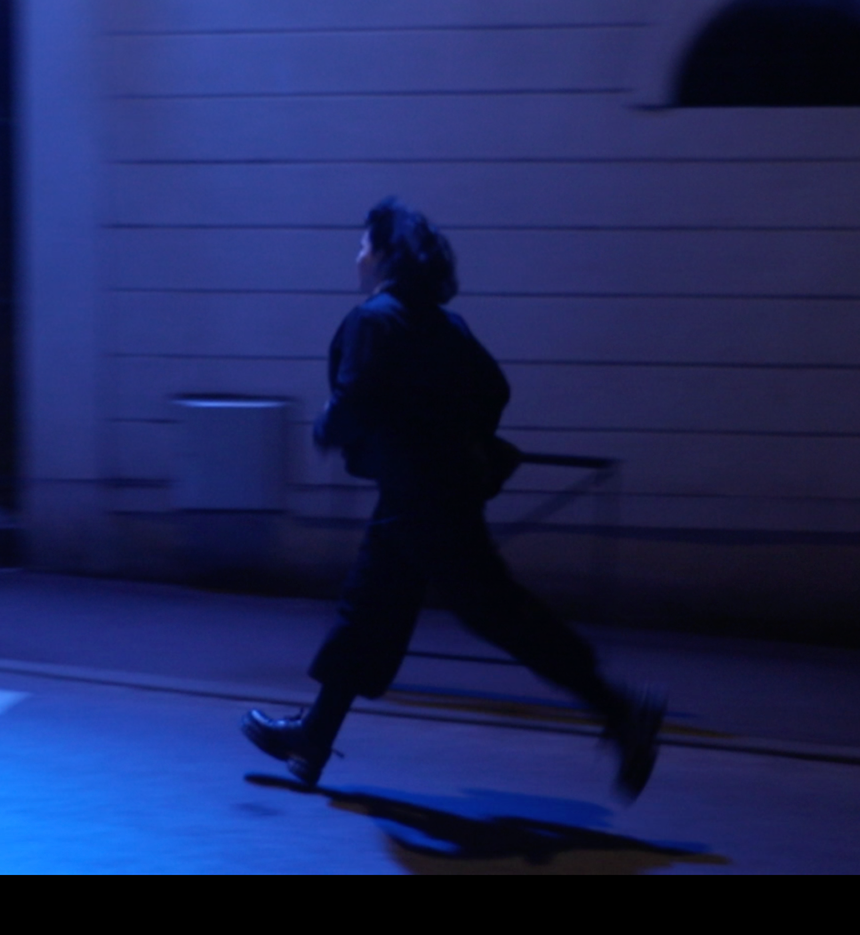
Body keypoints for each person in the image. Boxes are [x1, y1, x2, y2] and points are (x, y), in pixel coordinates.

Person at [242, 198, 664, 799]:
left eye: (363, 245)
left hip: (420, 504)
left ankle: (622, 710)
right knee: (368, 612)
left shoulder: (374, 320)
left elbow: (354, 401)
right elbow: (494, 389)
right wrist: (452, 436)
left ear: (384, 255)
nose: (357, 256)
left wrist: (326, 428)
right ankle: (313, 738)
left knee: (497, 614)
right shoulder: (447, 326)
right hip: (431, 497)